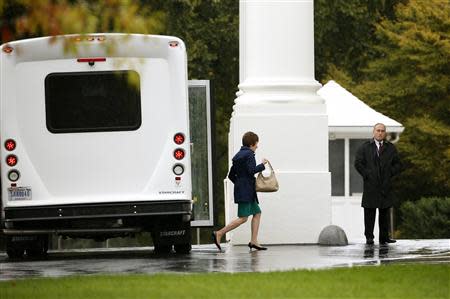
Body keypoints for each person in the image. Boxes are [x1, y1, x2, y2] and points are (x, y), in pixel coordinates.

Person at [212, 131, 268, 252]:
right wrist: (262, 165)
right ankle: (219, 233)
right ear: (252, 144)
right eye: (256, 144)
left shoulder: (237, 156)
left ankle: (254, 241)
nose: (257, 146)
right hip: (246, 191)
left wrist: (240, 184)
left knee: (257, 213)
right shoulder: (249, 155)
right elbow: (251, 170)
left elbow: (232, 175)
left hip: (245, 190)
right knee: (243, 218)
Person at [354, 123, 403, 245]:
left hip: (385, 186)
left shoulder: (390, 148)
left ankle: (384, 237)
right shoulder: (365, 147)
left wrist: (389, 173)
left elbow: (398, 164)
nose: (380, 133)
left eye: (382, 131)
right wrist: (367, 175)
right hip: (370, 186)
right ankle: (369, 237)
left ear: (385, 133)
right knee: (369, 213)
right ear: (373, 132)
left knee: (384, 214)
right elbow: (358, 163)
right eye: (378, 130)